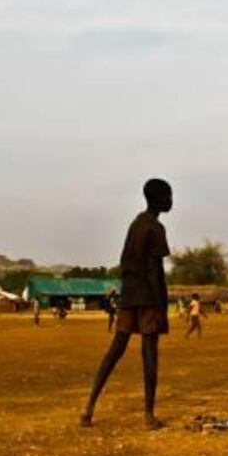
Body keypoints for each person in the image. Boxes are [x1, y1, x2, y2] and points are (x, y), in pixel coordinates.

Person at [81, 179, 173, 430]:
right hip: (147, 297)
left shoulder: (135, 224)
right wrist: (161, 305)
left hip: (129, 295)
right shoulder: (155, 227)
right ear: (157, 199)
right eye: (168, 196)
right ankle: (148, 415)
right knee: (150, 355)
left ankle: (88, 408)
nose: (171, 201)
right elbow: (156, 271)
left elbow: (126, 263)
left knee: (114, 351)